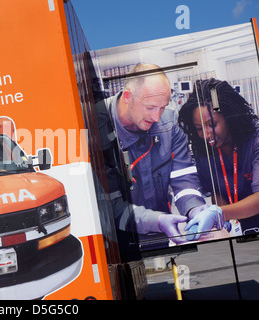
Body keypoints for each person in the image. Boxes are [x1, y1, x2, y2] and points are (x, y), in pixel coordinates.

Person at [96, 63, 210, 251]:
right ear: (127, 97)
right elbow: (109, 205)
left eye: (162, 108)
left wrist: (195, 209)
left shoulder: (170, 125)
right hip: (116, 243)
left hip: (160, 236)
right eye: (150, 107)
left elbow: (184, 179)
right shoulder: (94, 127)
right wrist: (156, 220)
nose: (157, 117)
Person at [178, 78, 259, 238]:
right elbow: (218, 189)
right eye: (199, 128)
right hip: (242, 231)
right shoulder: (205, 151)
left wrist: (219, 213)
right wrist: (221, 215)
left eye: (212, 124)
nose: (207, 135)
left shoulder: (254, 141)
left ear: (229, 117)